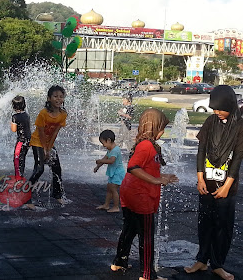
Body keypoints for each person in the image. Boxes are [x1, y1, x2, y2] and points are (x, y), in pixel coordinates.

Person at [111, 108, 178, 280]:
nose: (163, 132)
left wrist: (163, 177)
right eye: (162, 128)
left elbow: (145, 169)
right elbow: (133, 167)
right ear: (154, 127)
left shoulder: (145, 144)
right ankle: (147, 275)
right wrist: (157, 181)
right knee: (147, 235)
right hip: (140, 195)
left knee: (130, 228)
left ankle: (120, 261)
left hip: (131, 191)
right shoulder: (147, 145)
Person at [184, 85, 243, 280]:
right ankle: (201, 260)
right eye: (214, 109)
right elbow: (201, 151)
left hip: (227, 185)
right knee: (205, 223)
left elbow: (238, 159)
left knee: (223, 225)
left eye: (220, 109)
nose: (216, 112)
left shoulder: (240, 126)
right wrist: (200, 178)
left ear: (231, 105)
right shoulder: (210, 122)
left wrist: (227, 186)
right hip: (207, 182)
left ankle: (218, 264)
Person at [28, 85, 68, 206]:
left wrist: (49, 148)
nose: (58, 99)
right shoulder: (43, 113)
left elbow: (55, 132)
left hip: (48, 144)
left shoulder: (63, 114)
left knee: (57, 168)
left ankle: (57, 195)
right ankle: (25, 195)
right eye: (55, 96)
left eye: (61, 97)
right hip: (37, 142)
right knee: (39, 169)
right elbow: (40, 132)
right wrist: (45, 150)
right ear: (49, 98)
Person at [93, 129, 125, 213]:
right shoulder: (110, 150)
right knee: (109, 189)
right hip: (113, 173)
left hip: (117, 173)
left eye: (103, 143)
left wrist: (100, 161)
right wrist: (98, 167)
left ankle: (116, 207)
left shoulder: (115, 150)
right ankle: (106, 205)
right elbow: (105, 158)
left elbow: (111, 161)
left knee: (113, 189)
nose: (103, 146)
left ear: (109, 140)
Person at [11, 95, 31, 178]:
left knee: (17, 159)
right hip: (28, 139)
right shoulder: (26, 114)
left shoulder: (15, 117)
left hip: (21, 140)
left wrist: (12, 123)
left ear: (14, 106)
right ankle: (21, 175)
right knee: (22, 158)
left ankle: (18, 178)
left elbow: (14, 129)